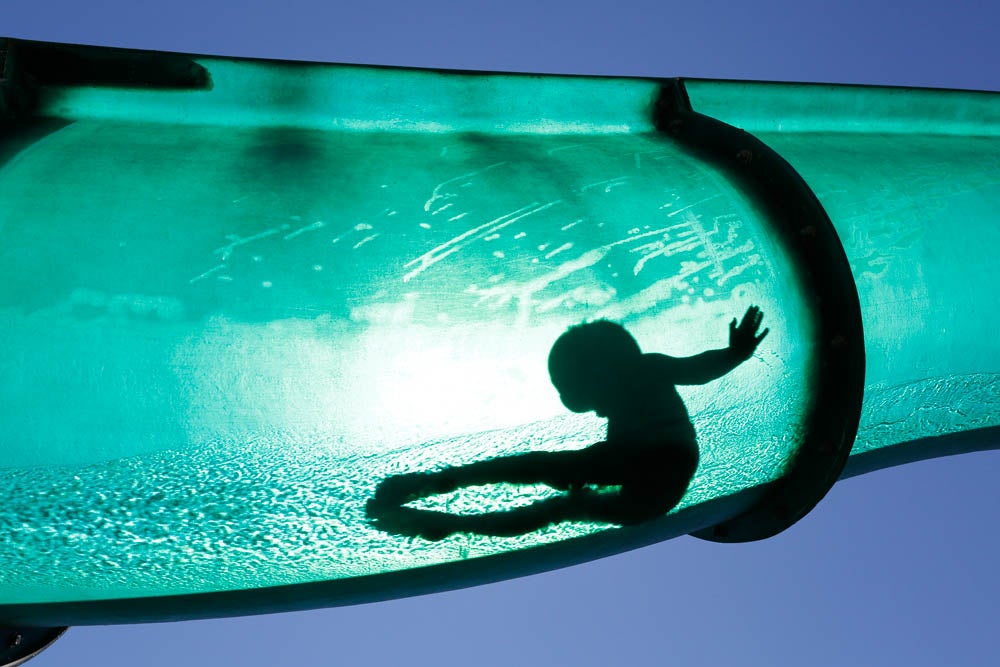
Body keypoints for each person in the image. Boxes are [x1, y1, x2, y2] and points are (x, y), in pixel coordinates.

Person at [367, 306, 769, 540]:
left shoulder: (645, 369)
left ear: (600, 369)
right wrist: (735, 353)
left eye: (573, 387)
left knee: (546, 473)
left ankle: (446, 492)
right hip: (652, 493)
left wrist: (736, 353)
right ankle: (451, 522)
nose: (588, 406)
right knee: (557, 506)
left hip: (657, 462)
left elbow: (696, 370)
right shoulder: (631, 381)